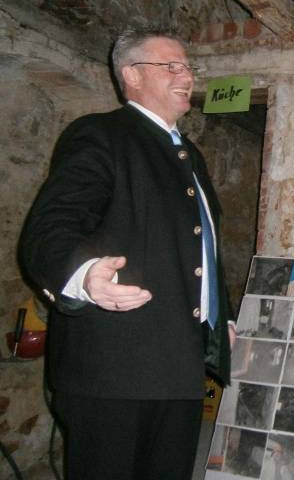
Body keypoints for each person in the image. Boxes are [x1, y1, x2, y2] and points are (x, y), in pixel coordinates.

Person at [20, 29, 235, 480]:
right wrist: (83, 275)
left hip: (179, 368)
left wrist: (222, 318)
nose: (186, 76)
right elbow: (50, 227)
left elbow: (203, 247)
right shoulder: (100, 134)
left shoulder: (190, 155)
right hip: (113, 370)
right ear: (132, 75)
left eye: (187, 67)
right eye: (171, 66)